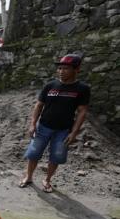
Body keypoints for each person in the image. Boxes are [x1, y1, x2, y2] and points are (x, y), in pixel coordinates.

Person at [19, 54, 90, 193]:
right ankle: (28, 177)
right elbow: (39, 105)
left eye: (66, 69)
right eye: (60, 68)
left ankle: (47, 180)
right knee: (34, 153)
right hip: (44, 127)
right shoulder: (50, 86)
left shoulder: (82, 89)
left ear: (77, 70)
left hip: (64, 130)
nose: (61, 71)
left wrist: (74, 132)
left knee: (56, 157)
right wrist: (33, 124)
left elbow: (82, 111)